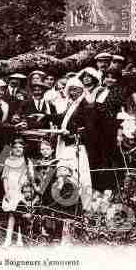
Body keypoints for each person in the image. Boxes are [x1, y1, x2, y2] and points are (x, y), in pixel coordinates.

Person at [54, 77, 94, 212]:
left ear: (81, 90)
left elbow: (89, 128)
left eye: (75, 90)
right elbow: (61, 118)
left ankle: (85, 208)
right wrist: (46, 116)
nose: (72, 93)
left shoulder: (86, 105)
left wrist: (72, 134)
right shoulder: (72, 104)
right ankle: (70, 206)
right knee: (67, 175)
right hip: (67, 145)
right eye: (70, 90)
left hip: (77, 146)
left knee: (81, 176)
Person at [1, 138, 34, 247]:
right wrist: (6, 192)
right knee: (11, 215)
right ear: (12, 149)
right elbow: (5, 177)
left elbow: (30, 178)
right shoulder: (8, 161)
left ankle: (20, 238)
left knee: (20, 215)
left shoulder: (27, 161)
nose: (18, 149)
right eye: (15, 147)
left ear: (24, 149)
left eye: (20, 147)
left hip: (21, 191)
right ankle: (8, 238)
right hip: (11, 190)